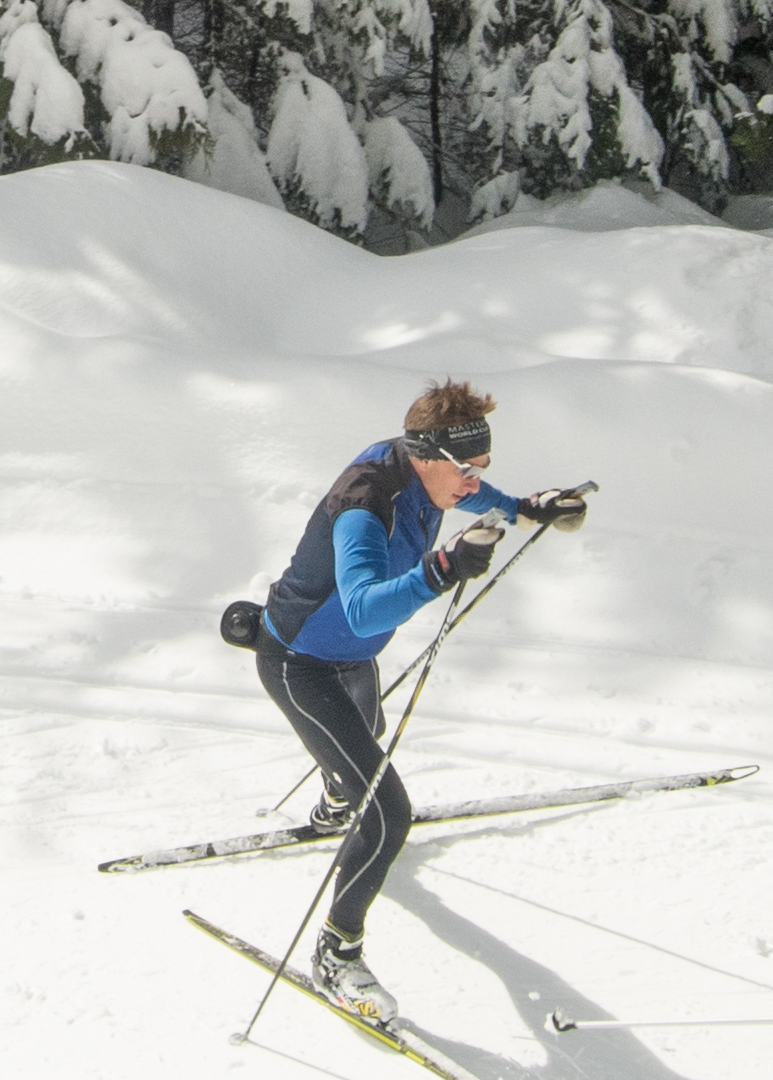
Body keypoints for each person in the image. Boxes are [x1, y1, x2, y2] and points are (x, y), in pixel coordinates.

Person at [244, 378, 582, 1020]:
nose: (473, 481)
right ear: (423, 454)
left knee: (362, 733)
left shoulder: (428, 468)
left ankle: (334, 800)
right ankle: (337, 955)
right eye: (466, 468)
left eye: (483, 466)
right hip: (299, 665)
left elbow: (473, 490)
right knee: (389, 812)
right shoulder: (364, 504)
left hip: (351, 659)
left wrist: (523, 509)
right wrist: (443, 568)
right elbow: (365, 607)